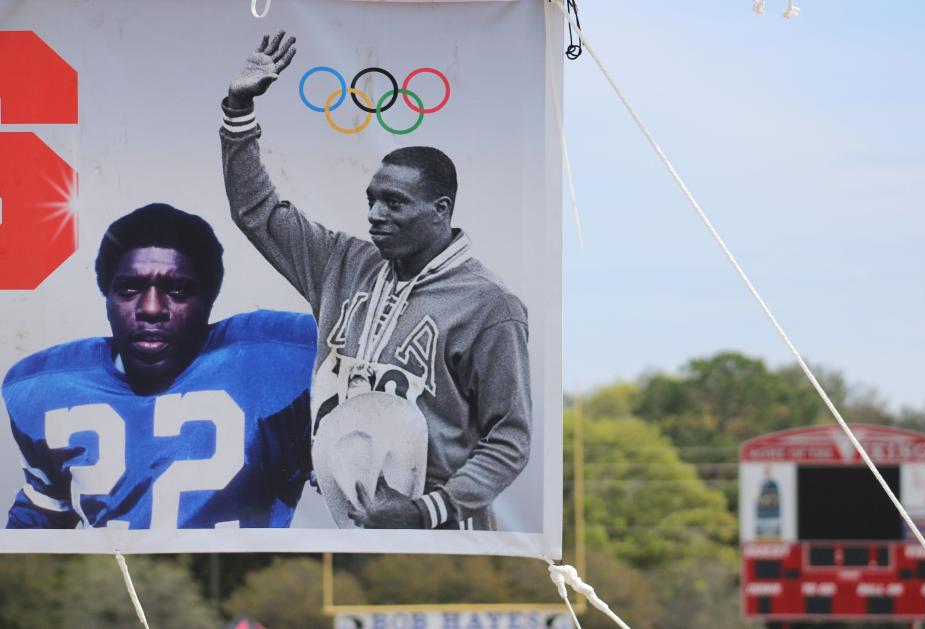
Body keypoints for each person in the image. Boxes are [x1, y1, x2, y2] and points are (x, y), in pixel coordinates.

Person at [220, 31, 531, 530]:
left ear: (440, 210)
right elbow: (256, 212)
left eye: (395, 203)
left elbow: (510, 437)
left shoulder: (490, 306)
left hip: (442, 535)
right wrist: (238, 111)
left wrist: (426, 509)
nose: (375, 215)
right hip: (346, 525)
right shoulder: (341, 263)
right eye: (371, 200)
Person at [4, 203, 316, 529]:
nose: (151, 308)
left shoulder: (276, 358)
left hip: (238, 579)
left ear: (208, 299)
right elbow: (33, 534)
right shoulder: (48, 388)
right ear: (107, 296)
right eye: (129, 289)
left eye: (177, 290)